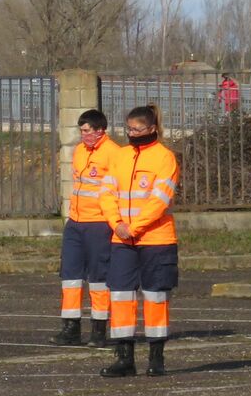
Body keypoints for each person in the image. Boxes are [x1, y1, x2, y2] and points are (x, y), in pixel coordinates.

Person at [98, 105, 180, 378]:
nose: (132, 133)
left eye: (137, 129)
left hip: (156, 239)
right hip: (122, 238)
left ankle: (156, 358)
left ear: (152, 128)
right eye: (129, 129)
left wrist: (134, 227)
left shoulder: (165, 158)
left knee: (156, 296)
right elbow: (106, 193)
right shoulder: (120, 156)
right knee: (121, 295)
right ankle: (124, 358)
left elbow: (160, 200)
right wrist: (117, 224)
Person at [53, 109, 120, 348]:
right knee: (70, 276)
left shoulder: (113, 153)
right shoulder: (80, 151)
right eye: (81, 131)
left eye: (87, 130)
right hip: (76, 222)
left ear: (100, 130)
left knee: (98, 278)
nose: (83, 135)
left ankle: (99, 329)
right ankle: (70, 328)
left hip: (99, 223)